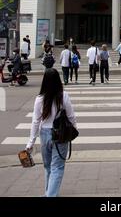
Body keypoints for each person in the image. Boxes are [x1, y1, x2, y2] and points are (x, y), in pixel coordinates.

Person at [26, 68, 77, 197]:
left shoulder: (39, 98)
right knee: (58, 167)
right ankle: (50, 195)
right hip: (60, 134)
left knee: (48, 166)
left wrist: (31, 142)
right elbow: (71, 116)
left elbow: (35, 121)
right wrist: (74, 130)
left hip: (45, 134)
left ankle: (49, 192)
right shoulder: (63, 96)